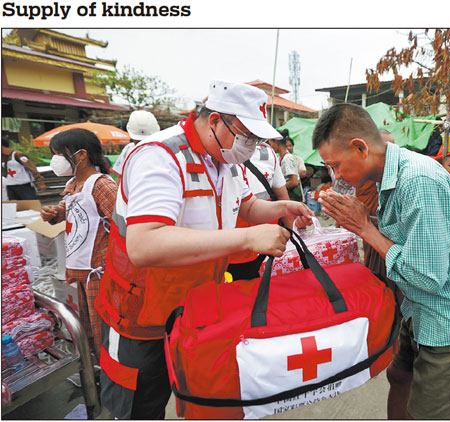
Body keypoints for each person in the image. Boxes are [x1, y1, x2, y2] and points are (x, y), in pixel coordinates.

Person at [94, 80, 313, 419]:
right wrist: (247, 239)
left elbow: (246, 206)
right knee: (140, 406)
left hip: (195, 306)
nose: (252, 147)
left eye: (257, 139)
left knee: (195, 393)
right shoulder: (160, 156)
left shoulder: (225, 160)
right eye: (247, 137)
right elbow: (145, 243)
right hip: (141, 311)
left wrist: (283, 209)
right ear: (215, 121)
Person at [314, 103, 450, 420]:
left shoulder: (418, 181)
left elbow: (426, 276)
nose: (335, 175)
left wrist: (365, 228)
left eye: (336, 166)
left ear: (360, 147)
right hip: (417, 308)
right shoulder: (387, 176)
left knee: (432, 412)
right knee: (399, 376)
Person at [40, 129, 118, 360]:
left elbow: (123, 226)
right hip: (82, 270)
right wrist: (53, 213)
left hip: (100, 272)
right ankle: (100, 368)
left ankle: (111, 371)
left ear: (81, 155)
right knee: (89, 325)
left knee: (104, 327)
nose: (56, 160)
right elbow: (72, 210)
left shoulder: (103, 186)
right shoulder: (75, 184)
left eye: (59, 154)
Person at [226, 140, 292, 280]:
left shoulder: (267, 154)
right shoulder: (218, 155)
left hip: (267, 242)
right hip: (231, 246)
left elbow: (282, 196)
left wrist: (290, 236)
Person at [355, 129, 396, 290]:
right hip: (372, 222)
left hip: (390, 230)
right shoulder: (363, 173)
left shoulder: (397, 173)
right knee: (373, 255)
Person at [110, 110, 160, 185]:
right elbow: (119, 176)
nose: (141, 143)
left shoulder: (161, 151)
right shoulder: (128, 149)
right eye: (138, 140)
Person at [268, 135, 303, 202]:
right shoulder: (281, 158)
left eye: (270, 144)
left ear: (276, 143)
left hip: (293, 196)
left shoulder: (287, 158)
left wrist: (278, 189)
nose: (270, 146)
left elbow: (294, 182)